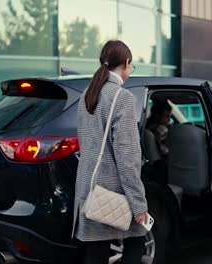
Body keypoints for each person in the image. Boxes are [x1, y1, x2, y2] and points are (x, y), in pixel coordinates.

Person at [73, 40, 149, 264]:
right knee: (137, 243)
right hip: (113, 192)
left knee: (95, 252)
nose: (130, 72)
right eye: (131, 66)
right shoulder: (122, 97)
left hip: (87, 188)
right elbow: (128, 157)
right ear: (126, 63)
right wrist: (138, 203)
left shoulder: (87, 94)